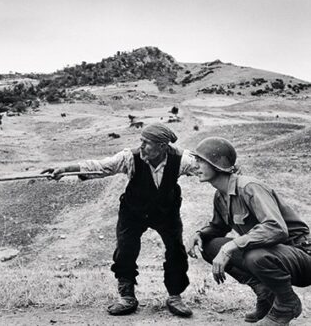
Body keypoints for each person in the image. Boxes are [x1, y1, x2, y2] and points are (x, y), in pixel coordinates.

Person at [41, 123, 194, 317]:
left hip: (166, 211)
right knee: (125, 250)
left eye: (147, 143)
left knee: (176, 250)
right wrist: (65, 169)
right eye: (141, 141)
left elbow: (207, 167)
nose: (142, 147)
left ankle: (175, 296)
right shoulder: (129, 157)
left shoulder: (181, 159)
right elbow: (101, 167)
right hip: (133, 211)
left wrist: (229, 170)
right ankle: (127, 297)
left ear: (163, 146)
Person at [187, 137, 311, 326]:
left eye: (200, 161)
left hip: (301, 255)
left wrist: (231, 246)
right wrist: (200, 234)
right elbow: (219, 227)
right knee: (210, 246)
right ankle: (265, 294)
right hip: (274, 254)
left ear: (218, 164)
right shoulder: (220, 195)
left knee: (254, 255)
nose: (195, 166)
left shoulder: (249, 187)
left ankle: (287, 304)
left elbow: (276, 228)